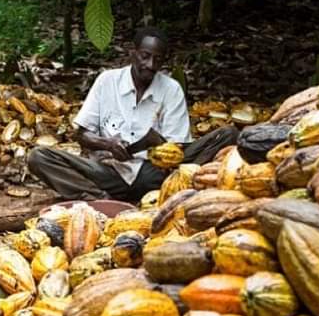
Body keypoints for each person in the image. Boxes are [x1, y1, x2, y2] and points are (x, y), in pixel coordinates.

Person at [28, 27, 238, 202]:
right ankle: (99, 199)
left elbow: (179, 149)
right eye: (145, 56)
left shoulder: (171, 89)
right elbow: (81, 135)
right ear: (133, 53)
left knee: (227, 135)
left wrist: (159, 144)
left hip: (154, 174)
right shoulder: (107, 81)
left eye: (158, 60)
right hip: (107, 172)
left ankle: (168, 192)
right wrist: (107, 144)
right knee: (39, 157)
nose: (150, 65)